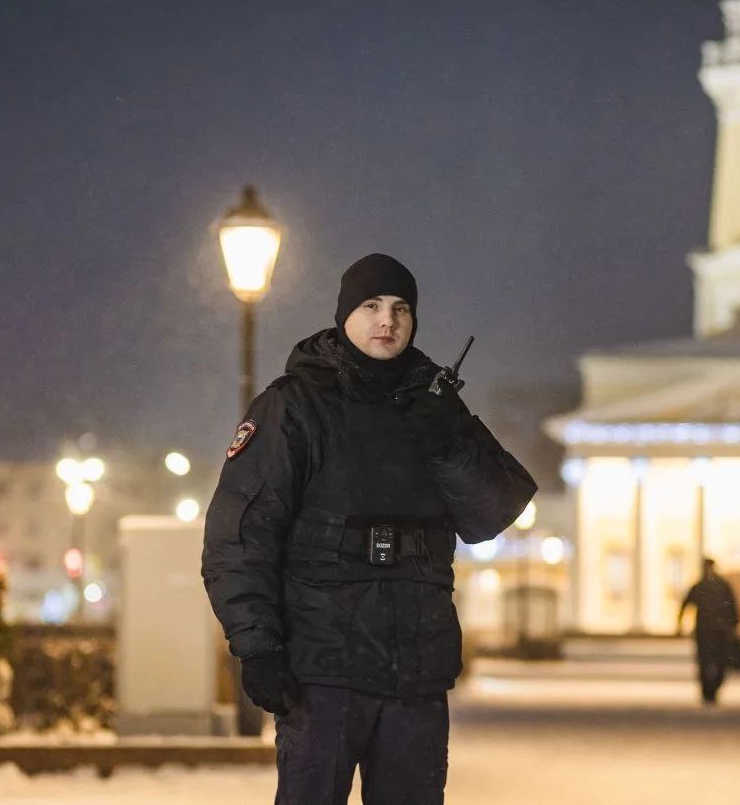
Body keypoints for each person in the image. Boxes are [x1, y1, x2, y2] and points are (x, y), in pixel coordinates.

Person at [201, 253, 537, 805]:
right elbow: (240, 535)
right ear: (344, 315)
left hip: (415, 669)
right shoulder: (294, 406)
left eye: (401, 308)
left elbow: (492, 513)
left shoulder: (435, 404)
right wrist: (257, 645)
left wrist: (447, 441)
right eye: (372, 306)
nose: (388, 321)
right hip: (321, 669)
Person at [676, 558, 740, 705]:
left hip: (720, 631)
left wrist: (734, 626)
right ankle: (706, 692)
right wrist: (679, 624)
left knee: (721, 662)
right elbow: (685, 604)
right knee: (703, 661)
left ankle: (714, 688)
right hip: (704, 631)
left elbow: (733, 607)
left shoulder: (723, 586)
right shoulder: (699, 586)